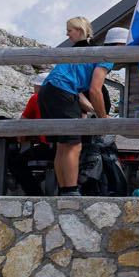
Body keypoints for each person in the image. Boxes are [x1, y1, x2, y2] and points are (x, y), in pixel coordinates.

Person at [38, 27, 120, 194]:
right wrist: (105, 119)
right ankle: (71, 190)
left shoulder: (90, 52)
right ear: (120, 45)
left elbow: (79, 90)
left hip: (49, 90)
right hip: (62, 91)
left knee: (62, 146)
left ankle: (65, 189)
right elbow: (95, 90)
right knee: (73, 145)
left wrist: (97, 112)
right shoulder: (107, 55)